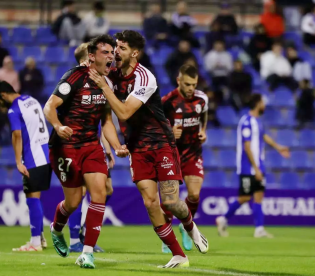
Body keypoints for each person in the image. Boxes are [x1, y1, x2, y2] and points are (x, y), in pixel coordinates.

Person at [88, 30, 209, 268]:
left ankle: (189, 225)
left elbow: (123, 112)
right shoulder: (110, 76)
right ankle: (178, 255)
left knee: (171, 202)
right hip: (137, 149)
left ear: (134, 53)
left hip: (161, 144)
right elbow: (108, 120)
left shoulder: (145, 78)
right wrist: (116, 145)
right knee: (150, 203)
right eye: (115, 47)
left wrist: (104, 87)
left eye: (121, 48)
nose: (116, 53)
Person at [43, 35, 128, 269]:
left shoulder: (108, 84)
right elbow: (49, 106)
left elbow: (107, 122)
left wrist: (117, 145)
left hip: (91, 145)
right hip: (66, 146)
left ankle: (87, 252)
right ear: (91, 56)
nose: (111, 56)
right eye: (105, 52)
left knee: (99, 193)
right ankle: (57, 227)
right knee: (73, 202)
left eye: (112, 52)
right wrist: (58, 126)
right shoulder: (73, 77)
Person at [0, 81, 51, 251]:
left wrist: (18, 161)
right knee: (35, 197)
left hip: (33, 157)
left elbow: (17, 135)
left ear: (2, 95)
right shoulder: (31, 100)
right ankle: (40, 238)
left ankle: (35, 242)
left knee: (32, 198)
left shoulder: (13, 109)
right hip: (46, 153)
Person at [216, 93, 290, 238]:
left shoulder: (257, 122)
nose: (265, 105)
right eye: (263, 102)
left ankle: (259, 229)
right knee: (244, 197)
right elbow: (247, 147)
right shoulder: (246, 122)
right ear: (257, 103)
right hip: (247, 167)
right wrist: (255, 168)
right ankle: (223, 218)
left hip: (258, 166)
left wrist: (278, 147)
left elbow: (263, 136)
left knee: (259, 196)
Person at [67, 42, 113, 254]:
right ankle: (75, 239)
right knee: (80, 192)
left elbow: (101, 121)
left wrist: (108, 148)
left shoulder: (100, 83)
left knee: (106, 190)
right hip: (74, 147)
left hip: (94, 145)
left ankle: (85, 232)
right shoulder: (74, 81)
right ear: (87, 58)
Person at [161, 64, 208, 254]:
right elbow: (157, 127)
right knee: (169, 200)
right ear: (178, 81)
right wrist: (170, 132)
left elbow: (204, 117)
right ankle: (167, 237)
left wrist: (203, 131)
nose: (190, 88)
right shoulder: (167, 101)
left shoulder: (202, 99)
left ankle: (186, 227)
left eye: (194, 84)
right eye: (187, 84)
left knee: (194, 195)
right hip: (172, 154)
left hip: (193, 152)